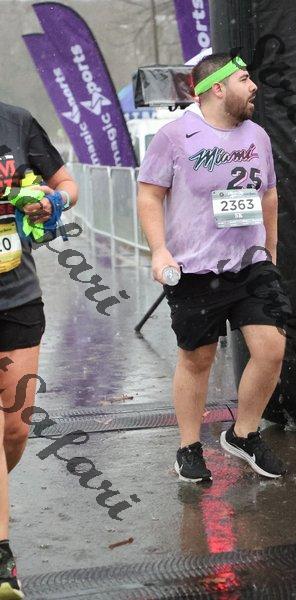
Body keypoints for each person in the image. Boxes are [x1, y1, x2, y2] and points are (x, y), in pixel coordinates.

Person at [137, 53, 291, 484]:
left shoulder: (258, 135)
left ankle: (243, 434)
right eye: (244, 79)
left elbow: (268, 195)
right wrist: (159, 251)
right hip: (195, 270)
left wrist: (270, 251)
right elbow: (149, 194)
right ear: (217, 88)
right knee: (197, 359)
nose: (254, 86)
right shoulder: (175, 136)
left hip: (250, 265)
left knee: (271, 349)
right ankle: (188, 447)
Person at [0, 101, 78, 598]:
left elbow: (66, 184)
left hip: (17, 298)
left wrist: (52, 203)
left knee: (15, 428)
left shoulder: (16, 122)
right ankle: (1, 556)